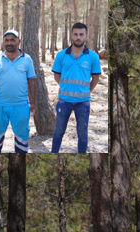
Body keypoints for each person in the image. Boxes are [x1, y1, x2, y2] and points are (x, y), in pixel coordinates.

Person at [50, 23, 101, 154]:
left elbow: (95, 78)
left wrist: (86, 91)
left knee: (82, 134)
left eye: (81, 34)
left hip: (83, 102)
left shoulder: (93, 56)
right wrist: (65, 87)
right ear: (71, 35)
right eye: (76, 34)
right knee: (59, 132)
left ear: (86, 36)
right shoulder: (61, 55)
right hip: (64, 101)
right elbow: (57, 75)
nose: (78, 37)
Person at [0, 29, 36, 153]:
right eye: (7, 40)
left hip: (20, 105)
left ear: (18, 41)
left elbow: (32, 81)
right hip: (0, 105)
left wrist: (33, 103)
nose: (9, 43)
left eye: (12, 40)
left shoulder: (27, 59)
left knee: (21, 136)